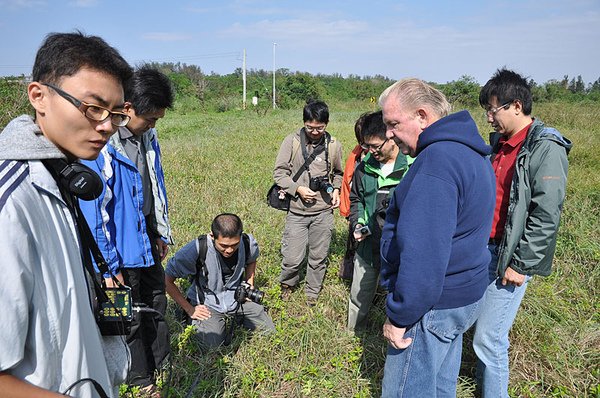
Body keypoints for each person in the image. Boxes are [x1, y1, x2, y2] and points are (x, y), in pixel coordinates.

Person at [0, 32, 132, 397]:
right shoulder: (12, 204)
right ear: (38, 96)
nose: (106, 126)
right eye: (93, 108)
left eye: (116, 113)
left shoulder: (60, 178)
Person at [378, 78, 496, 397]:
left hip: (431, 304)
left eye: (393, 123)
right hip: (463, 295)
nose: (388, 134)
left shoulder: (436, 162)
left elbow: (425, 254)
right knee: (441, 386)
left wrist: (401, 314)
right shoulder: (470, 152)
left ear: (421, 116)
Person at [473, 69, 572, 397]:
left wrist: (521, 263)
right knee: (480, 330)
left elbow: (546, 215)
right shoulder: (498, 144)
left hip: (509, 255)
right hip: (483, 248)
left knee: (489, 338)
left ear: (516, 105)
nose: (489, 118)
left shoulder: (545, 147)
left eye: (493, 110)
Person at [79, 66, 174, 393]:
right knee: (122, 319)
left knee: (156, 302)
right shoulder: (100, 145)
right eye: (150, 117)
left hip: (145, 239)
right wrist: (107, 267)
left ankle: (161, 364)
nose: (153, 124)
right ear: (128, 108)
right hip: (115, 251)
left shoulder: (148, 137)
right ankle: (138, 380)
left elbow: (154, 187)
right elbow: (93, 212)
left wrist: (159, 230)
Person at [165, 213, 275, 348]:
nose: (229, 250)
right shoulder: (197, 248)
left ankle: (236, 317)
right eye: (223, 245)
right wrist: (190, 309)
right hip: (208, 303)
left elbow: (252, 260)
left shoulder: (247, 243)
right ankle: (190, 319)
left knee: (269, 330)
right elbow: (166, 279)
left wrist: (249, 284)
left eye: (234, 245)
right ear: (212, 236)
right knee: (213, 345)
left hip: (237, 298)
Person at [273, 99, 344, 306]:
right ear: (304, 123)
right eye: (310, 127)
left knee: (318, 257)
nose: (314, 131)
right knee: (292, 258)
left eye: (319, 128)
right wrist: (298, 189)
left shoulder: (333, 146)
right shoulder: (292, 142)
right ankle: (287, 286)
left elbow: (339, 173)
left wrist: (336, 190)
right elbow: (279, 173)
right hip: (296, 211)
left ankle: (312, 293)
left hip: (323, 212)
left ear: (327, 124)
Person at [347, 110, 410, 331]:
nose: (371, 152)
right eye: (367, 147)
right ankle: (354, 333)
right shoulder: (364, 168)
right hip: (368, 246)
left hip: (400, 248)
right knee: (360, 294)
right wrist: (358, 223)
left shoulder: (410, 167)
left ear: (391, 137)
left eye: (376, 146)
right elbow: (356, 199)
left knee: (398, 295)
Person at [338, 112, 369, 280]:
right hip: (356, 207)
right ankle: (349, 275)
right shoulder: (356, 155)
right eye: (363, 143)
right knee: (353, 243)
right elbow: (347, 182)